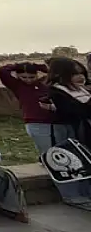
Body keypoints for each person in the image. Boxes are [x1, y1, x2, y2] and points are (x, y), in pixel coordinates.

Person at [0, 61, 87, 206]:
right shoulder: (17, 86)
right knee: (56, 161)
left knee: (72, 159)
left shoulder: (44, 83)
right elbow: (1, 70)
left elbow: (54, 72)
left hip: (59, 122)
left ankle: (82, 192)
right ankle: (70, 195)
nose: (28, 80)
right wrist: (23, 64)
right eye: (23, 77)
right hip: (38, 124)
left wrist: (39, 68)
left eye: (31, 77)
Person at [42, 57, 91, 210]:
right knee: (71, 163)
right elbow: (73, 111)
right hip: (68, 131)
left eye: (82, 73)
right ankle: (74, 196)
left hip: (84, 130)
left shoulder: (82, 90)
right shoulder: (57, 91)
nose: (80, 77)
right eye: (74, 74)